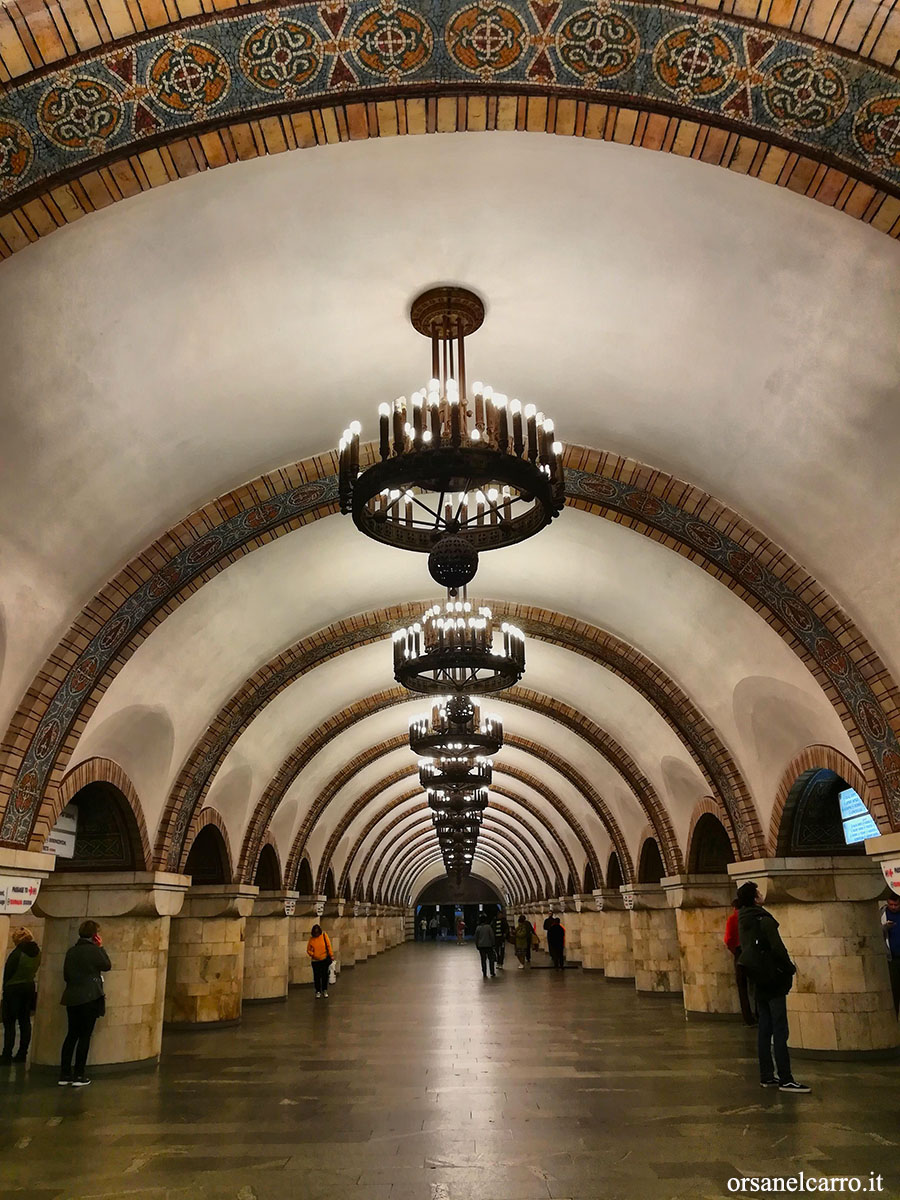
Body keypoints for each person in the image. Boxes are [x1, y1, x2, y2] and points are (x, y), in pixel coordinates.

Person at [736, 882, 809, 1094]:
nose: (761, 894)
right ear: (754, 897)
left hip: (758, 978)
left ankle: (767, 1076)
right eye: (757, 892)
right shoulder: (762, 919)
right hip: (773, 979)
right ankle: (786, 1078)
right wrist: (789, 968)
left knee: (764, 1028)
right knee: (780, 1029)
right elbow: (777, 947)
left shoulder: (743, 919)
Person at [59, 919, 111, 1087]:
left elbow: (66, 975)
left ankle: (65, 1074)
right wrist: (101, 947)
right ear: (95, 935)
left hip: (72, 997)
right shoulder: (94, 951)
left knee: (71, 1035)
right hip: (89, 997)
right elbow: (107, 965)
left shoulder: (71, 951)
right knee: (85, 1036)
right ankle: (79, 1075)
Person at [1, 927, 41, 1063]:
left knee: (10, 1022)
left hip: (13, 989)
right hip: (29, 987)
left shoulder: (17, 954)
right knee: (25, 1022)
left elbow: (9, 973)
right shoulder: (37, 953)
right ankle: (22, 1053)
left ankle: (6, 1054)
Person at [724, 898, 757, 1026]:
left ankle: (748, 1018)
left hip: (739, 952)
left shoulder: (733, 919)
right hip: (753, 950)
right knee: (757, 984)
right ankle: (760, 1014)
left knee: (742, 987)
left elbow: (728, 939)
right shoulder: (753, 917)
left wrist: (735, 952)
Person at [880, 893, 900, 1013]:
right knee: (894, 992)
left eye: (896, 904)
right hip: (892, 959)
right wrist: (885, 928)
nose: (893, 907)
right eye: (891, 904)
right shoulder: (881, 914)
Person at [306, 924, 333, 998]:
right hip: (315, 961)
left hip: (324, 959)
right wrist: (312, 954)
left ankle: (324, 990)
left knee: (324, 975)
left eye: (317, 932)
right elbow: (308, 949)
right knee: (316, 977)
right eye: (315, 933)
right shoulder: (311, 939)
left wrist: (331, 955)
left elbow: (328, 946)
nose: (316, 934)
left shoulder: (324, 936)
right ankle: (318, 991)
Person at [474, 913, 496, 978]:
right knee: (491, 959)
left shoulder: (478, 928)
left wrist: (477, 945)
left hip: (481, 946)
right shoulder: (488, 927)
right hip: (489, 945)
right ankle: (492, 972)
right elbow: (492, 936)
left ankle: (484, 972)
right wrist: (493, 944)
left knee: (483, 960)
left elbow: (476, 938)